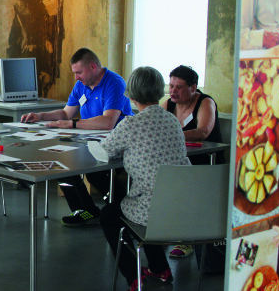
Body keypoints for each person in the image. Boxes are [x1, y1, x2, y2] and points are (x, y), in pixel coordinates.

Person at [97, 66, 191, 291]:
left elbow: (104, 152)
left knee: (110, 214)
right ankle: (160, 268)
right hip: (182, 209)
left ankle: (133, 275)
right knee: (148, 198)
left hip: (151, 212)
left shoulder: (130, 125)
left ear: (131, 93)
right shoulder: (172, 121)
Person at [20, 48, 133, 226]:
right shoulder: (82, 85)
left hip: (114, 142)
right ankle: (85, 210)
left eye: (79, 72)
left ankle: (123, 211)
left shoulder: (114, 83)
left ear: (93, 67)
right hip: (87, 140)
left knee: (97, 174)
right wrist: (41, 116)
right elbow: (66, 113)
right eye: (74, 73)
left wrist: (73, 124)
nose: (76, 77)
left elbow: (108, 122)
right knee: (61, 166)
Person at [162, 65, 224, 259]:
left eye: (179, 87)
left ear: (193, 87)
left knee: (185, 189)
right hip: (178, 160)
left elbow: (203, 131)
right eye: (171, 85)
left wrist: (171, 134)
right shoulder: (168, 104)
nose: (173, 91)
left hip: (205, 162)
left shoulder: (205, 102)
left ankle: (187, 239)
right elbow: (157, 126)